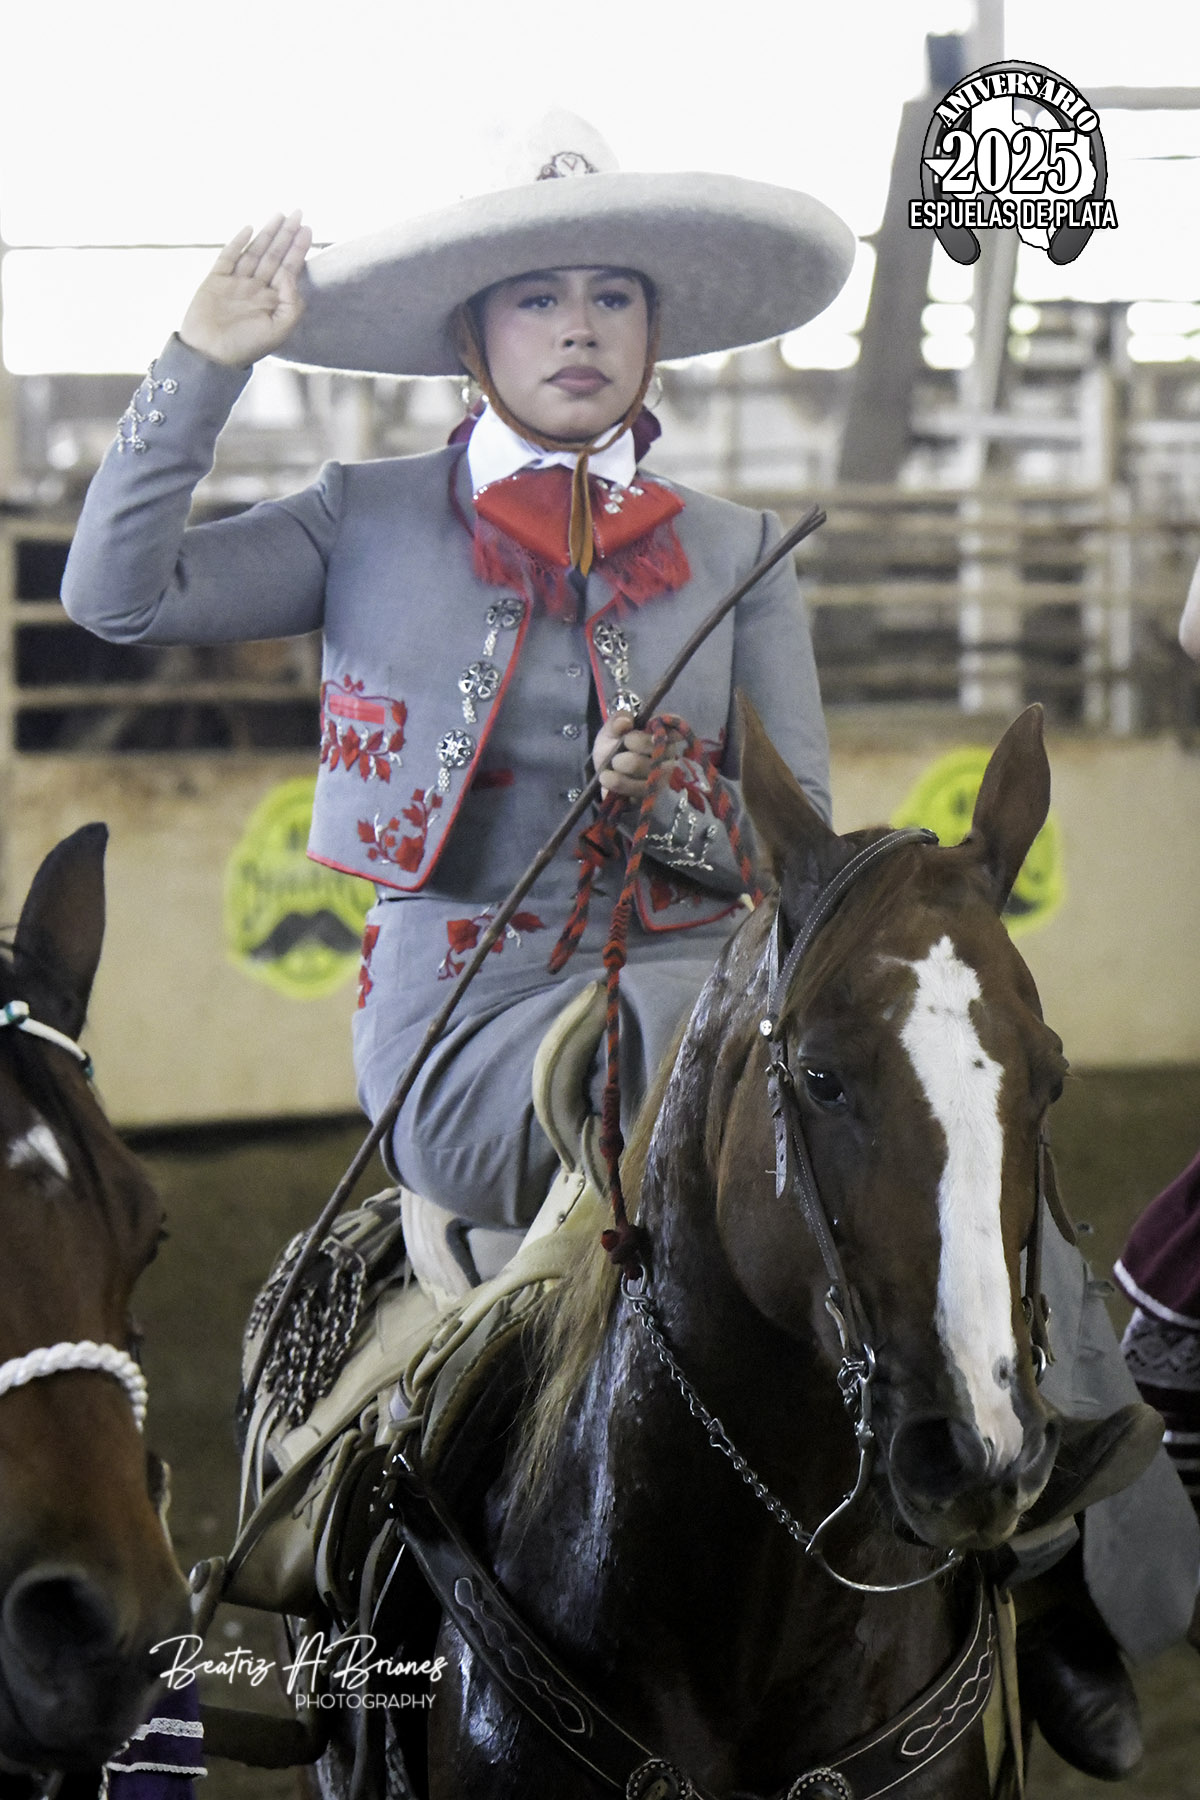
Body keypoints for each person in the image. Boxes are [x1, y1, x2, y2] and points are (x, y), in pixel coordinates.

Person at [60, 113, 1197, 1780]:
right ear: (474, 339)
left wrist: (680, 808)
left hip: (709, 988)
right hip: (469, 1020)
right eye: (538, 299)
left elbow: (798, 857)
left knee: (918, 1093)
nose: (579, 327)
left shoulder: (735, 549)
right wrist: (203, 360)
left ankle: (1050, 1547)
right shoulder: (360, 516)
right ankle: (336, 1567)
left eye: (612, 296)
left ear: (656, 333)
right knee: (722, 1090)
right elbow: (115, 596)